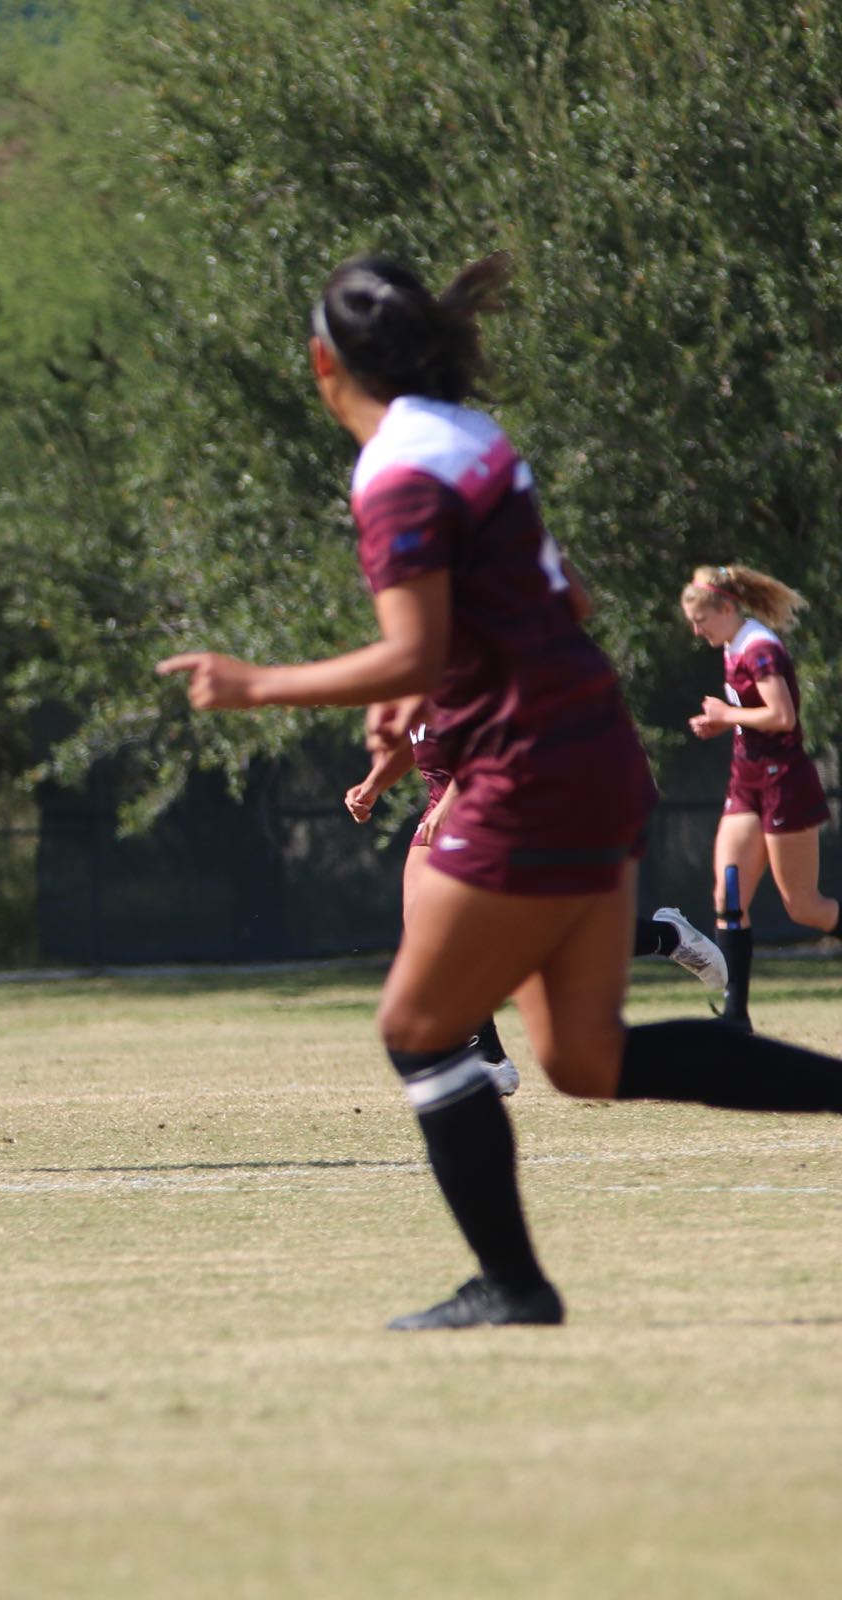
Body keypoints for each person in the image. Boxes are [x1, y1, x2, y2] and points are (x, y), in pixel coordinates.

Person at [160, 252, 842, 1330]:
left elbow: (415, 642)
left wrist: (259, 684)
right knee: (583, 1053)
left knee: (419, 1022)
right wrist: (427, 677)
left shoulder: (394, 469)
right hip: (591, 743)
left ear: (320, 360)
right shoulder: (474, 439)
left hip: (526, 767)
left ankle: (515, 1287)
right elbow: (555, 592)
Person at [347, 732, 727, 1075]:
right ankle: (487, 1056)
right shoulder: (413, 676)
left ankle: (665, 936)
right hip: (447, 811)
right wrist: (372, 786)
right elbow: (412, 741)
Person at [680, 563, 838, 1032]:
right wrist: (722, 723)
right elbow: (752, 715)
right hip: (746, 782)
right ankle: (736, 1020)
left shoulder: (760, 648)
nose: (696, 629)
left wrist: (728, 714)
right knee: (729, 896)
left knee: (803, 907)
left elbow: (782, 716)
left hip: (784, 783)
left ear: (727, 608)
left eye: (701, 619)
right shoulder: (732, 643)